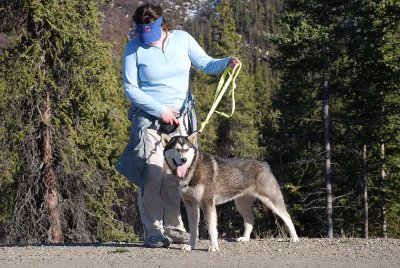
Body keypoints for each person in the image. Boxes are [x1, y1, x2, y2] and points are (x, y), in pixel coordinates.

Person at [115, 3, 241, 248]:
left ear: (162, 24)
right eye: (143, 33)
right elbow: (130, 88)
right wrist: (159, 110)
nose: (147, 38)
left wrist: (226, 62)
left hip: (181, 118)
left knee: (178, 174)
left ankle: (175, 227)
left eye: (151, 32)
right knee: (151, 174)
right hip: (148, 119)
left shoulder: (182, 40)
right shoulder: (134, 48)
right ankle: (153, 230)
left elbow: (205, 63)